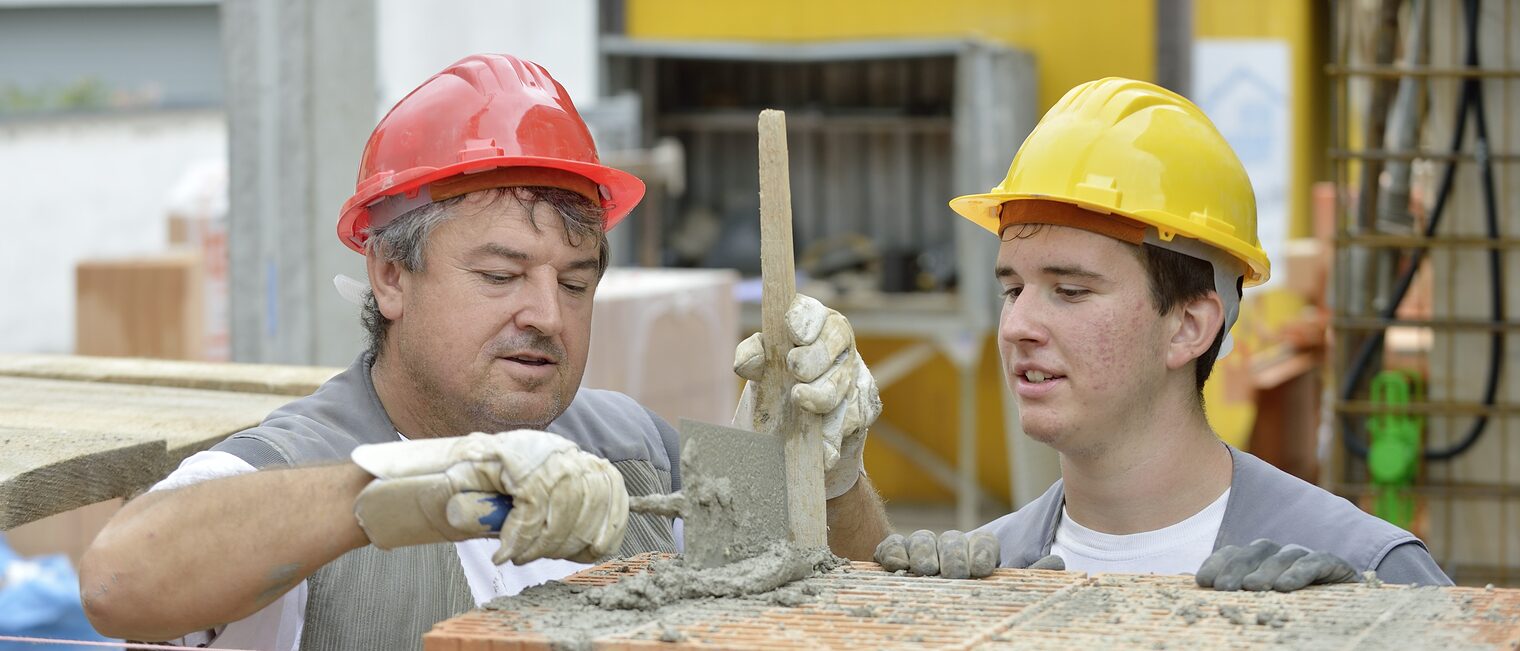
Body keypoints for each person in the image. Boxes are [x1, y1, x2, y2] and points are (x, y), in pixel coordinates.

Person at [79, 54, 890, 650]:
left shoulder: (633, 449)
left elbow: (851, 600)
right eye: (502, 274)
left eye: (576, 283)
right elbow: (119, 580)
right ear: (391, 275)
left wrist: (829, 474)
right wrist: (419, 489)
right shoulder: (298, 466)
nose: (547, 315)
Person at [874, 77, 1450, 591]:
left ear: (1190, 327)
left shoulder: (1367, 573)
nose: (1018, 326)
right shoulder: (988, 574)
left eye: (1070, 291)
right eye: (1012, 290)